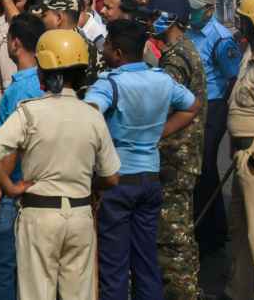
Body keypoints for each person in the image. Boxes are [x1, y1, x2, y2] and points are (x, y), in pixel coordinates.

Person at [0, 29, 121, 300]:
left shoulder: (30, 112)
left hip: (39, 215)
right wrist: (88, 186)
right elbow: (112, 177)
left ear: (43, 72)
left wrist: (9, 188)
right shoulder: (92, 115)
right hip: (80, 213)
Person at [85, 19, 197, 300]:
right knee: (146, 260)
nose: (104, 50)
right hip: (150, 177)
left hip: (117, 181)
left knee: (114, 266)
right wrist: (160, 132)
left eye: (107, 45)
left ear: (118, 53)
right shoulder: (161, 79)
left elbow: (88, 116)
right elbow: (191, 106)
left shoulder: (109, 84)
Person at [145, 0, 206, 299]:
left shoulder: (177, 57)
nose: (151, 21)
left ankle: (185, 293)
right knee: (176, 234)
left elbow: (169, 104)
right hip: (179, 156)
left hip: (174, 157)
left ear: (172, 19)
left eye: (156, 16)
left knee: (173, 239)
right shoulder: (181, 51)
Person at [0, 14, 46, 300]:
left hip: (11, 187)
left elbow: (13, 145)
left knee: (2, 262)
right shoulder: (43, 83)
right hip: (33, 183)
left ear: (15, 43)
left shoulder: (22, 87)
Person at [184, 0, 242, 256]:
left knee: (206, 165)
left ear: (209, 10)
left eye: (196, 10)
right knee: (196, 167)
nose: (191, 13)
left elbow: (234, 77)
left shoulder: (220, 38)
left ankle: (213, 232)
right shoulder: (188, 30)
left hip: (214, 105)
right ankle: (206, 225)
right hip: (189, 105)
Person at [226, 0, 254, 300]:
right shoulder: (250, 54)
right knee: (240, 230)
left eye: (244, 19)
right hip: (242, 154)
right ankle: (239, 291)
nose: (240, 24)